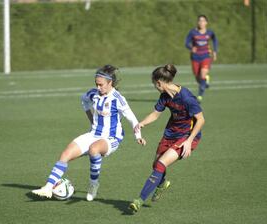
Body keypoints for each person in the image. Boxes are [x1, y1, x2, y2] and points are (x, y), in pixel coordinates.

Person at [32, 64, 146, 202]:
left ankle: (93, 184)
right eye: (96, 84)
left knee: (94, 149)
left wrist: (138, 136)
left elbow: (133, 119)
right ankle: (48, 188)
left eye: (101, 85)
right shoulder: (93, 94)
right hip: (93, 134)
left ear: (110, 83)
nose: (98, 87)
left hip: (111, 138)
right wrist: (91, 119)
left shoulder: (118, 99)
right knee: (65, 155)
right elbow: (84, 100)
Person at [129, 64, 205, 213]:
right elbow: (156, 114)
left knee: (161, 164)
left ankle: (139, 200)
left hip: (187, 136)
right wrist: (142, 123)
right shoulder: (165, 96)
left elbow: (201, 120)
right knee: (156, 164)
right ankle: (162, 184)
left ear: (159, 83)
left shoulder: (186, 97)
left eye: (154, 84)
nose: (154, 87)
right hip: (170, 133)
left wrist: (189, 142)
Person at [185, 15, 218, 102]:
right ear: (197, 22)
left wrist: (214, 52)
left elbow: (215, 40)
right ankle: (205, 80)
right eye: (199, 21)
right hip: (195, 58)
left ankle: (200, 96)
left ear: (206, 23)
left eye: (203, 21)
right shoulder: (193, 32)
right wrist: (191, 48)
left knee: (202, 74)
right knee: (198, 78)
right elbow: (186, 43)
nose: (201, 23)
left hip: (205, 56)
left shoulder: (210, 32)